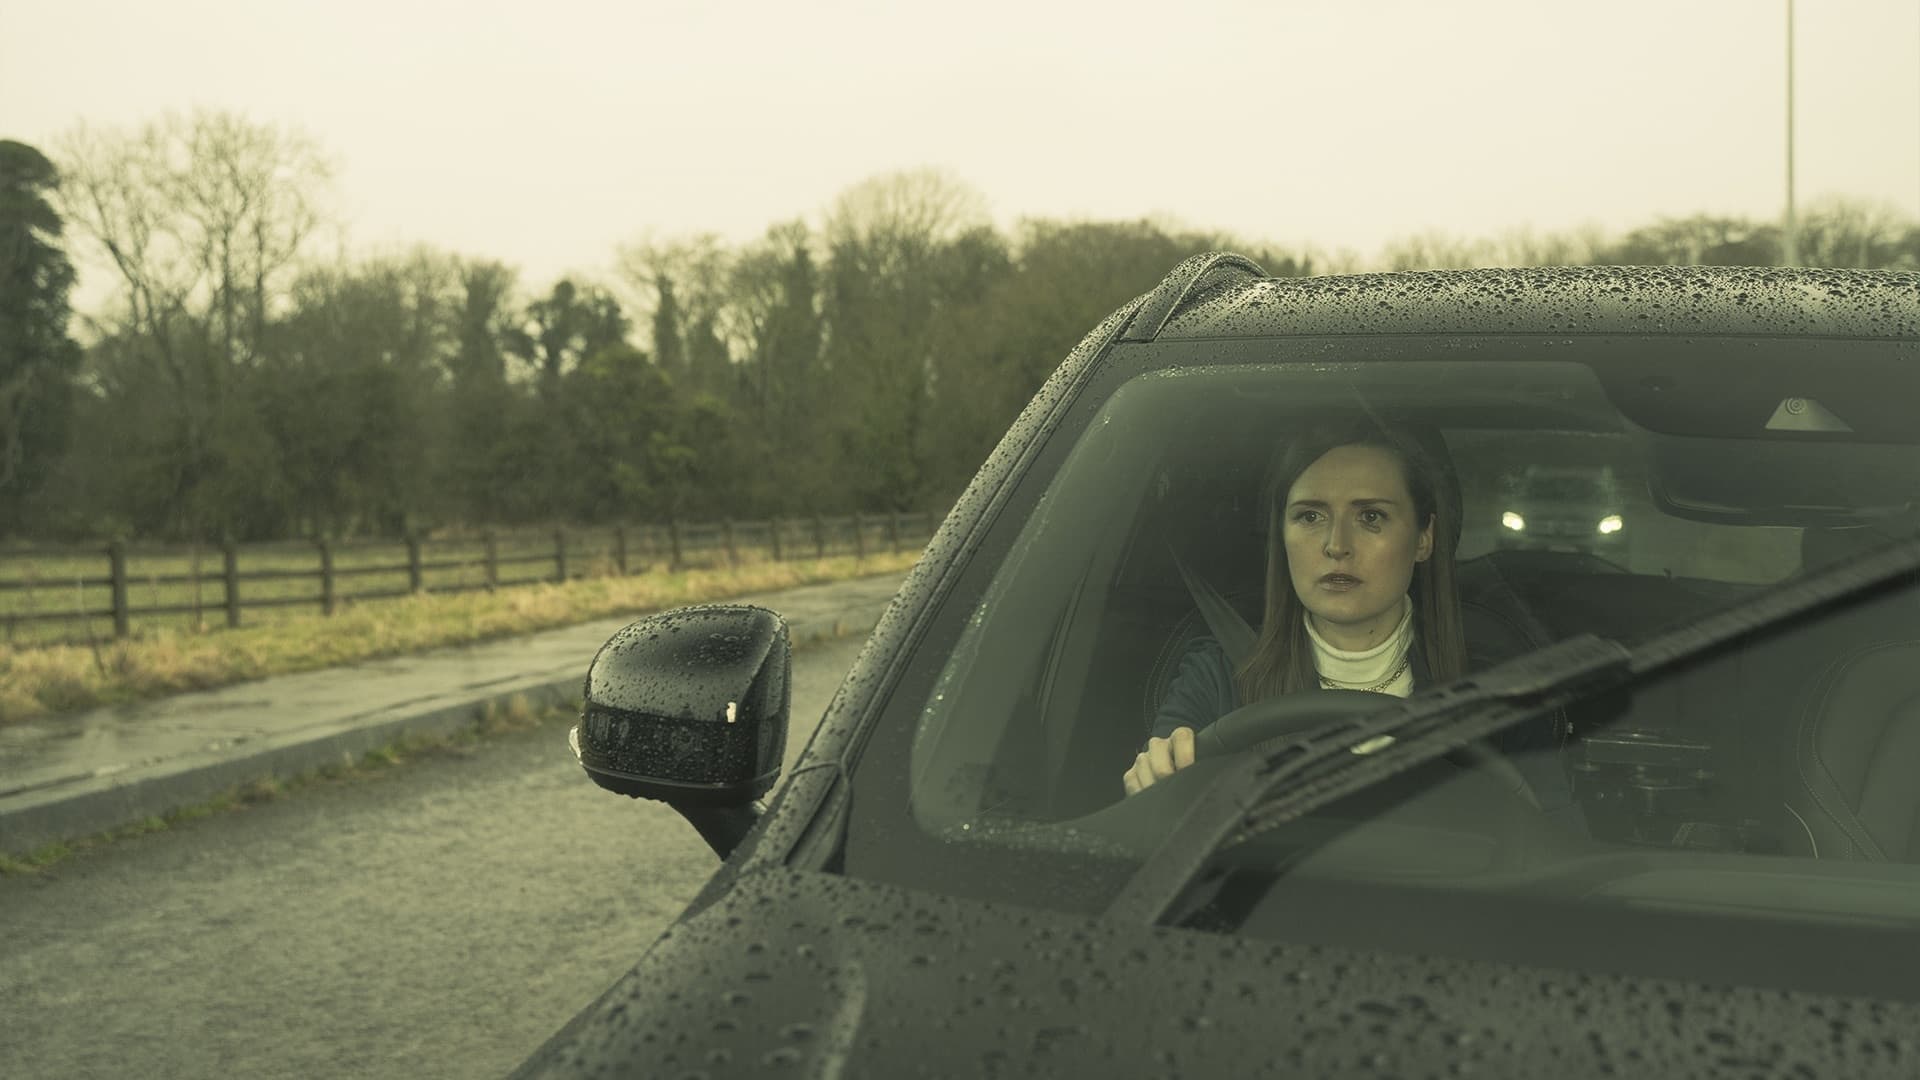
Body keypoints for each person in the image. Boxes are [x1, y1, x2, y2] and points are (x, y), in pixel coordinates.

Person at [1122, 419, 1471, 796]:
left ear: (1423, 538)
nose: (1336, 545)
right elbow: (1161, 810)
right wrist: (1152, 783)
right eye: (1310, 516)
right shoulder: (1218, 679)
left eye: (1370, 516)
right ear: (1282, 533)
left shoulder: (1493, 678)